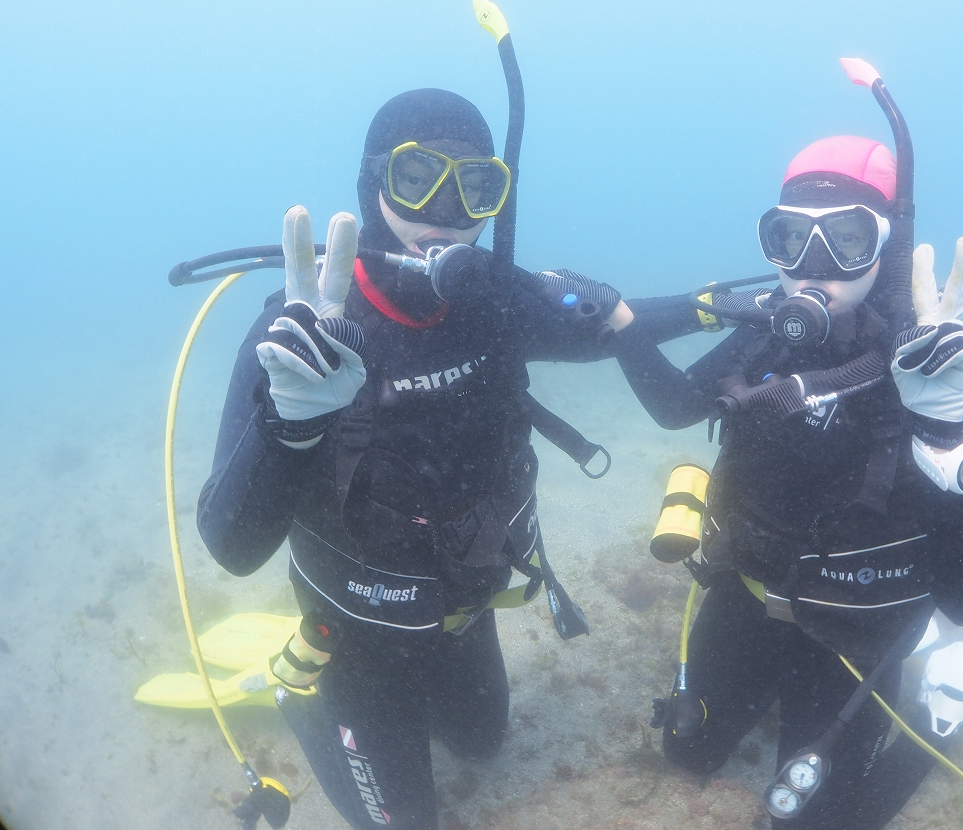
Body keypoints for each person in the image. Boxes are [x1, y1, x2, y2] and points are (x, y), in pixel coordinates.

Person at [196, 87, 699, 830]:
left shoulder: (493, 306)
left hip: (462, 615)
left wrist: (734, 309)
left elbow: (609, 331)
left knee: (484, 744)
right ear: (373, 184)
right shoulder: (301, 338)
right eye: (416, 177)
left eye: (474, 187)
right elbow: (231, 548)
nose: (443, 211)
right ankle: (301, 691)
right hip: (356, 639)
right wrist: (290, 422)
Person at [611, 129, 963, 828]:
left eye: (848, 241)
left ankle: (942, 706)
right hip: (750, 596)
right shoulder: (765, 334)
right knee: (685, 752)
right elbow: (679, 406)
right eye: (790, 238)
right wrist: (620, 324)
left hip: (859, 630)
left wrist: (948, 433)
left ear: (886, 247)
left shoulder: (933, 371)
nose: (812, 268)